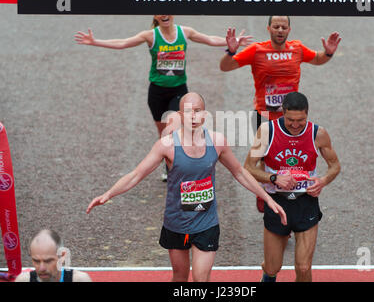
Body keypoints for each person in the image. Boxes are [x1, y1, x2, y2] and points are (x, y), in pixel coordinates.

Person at [86, 92, 287, 282]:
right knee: (180, 276)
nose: (193, 116)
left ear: (205, 114)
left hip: (206, 223)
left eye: (198, 110)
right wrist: (108, 194)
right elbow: (136, 174)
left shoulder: (217, 142)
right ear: (180, 115)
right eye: (188, 111)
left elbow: (240, 172)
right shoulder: (166, 145)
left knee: (200, 277)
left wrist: (268, 198)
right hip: (176, 223)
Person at [74, 15, 252, 174]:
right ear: (155, 16)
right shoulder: (150, 36)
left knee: (173, 128)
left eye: (167, 11)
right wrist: (95, 41)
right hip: (157, 92)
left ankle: (178, 167)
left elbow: (209, 39)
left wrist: (231, 42)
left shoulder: (185, 32)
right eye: (159, 12)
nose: (164, 15)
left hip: (179, 91)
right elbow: (123, 43)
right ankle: (169, 164)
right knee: (164, 135)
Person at [220, 15, 341, 211]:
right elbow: (225, 66)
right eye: (275, 26)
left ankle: (289, 197)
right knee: (262, 159)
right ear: (268, 28)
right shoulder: (256, 50)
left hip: (290, 117)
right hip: (264, 115)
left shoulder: (297, 48)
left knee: (289, 158)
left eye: (283, 27)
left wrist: (327, 54)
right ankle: (266, 190)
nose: (280, 30)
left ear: (289, 30)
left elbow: (317, 59)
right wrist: (230, 50)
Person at [244, 92, 341, 282]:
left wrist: (323, 181)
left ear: (307, 114)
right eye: (290, 120)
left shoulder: (318, 134)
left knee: (304, 267)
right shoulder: (267, 131)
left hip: (306, 203)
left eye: (301, 120)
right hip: (277, 203)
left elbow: (335, 166)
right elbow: (247, 167)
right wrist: (274, 178)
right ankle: (267, 273)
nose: (295, 125)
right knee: (273, 267)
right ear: (282, 113)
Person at [14, 229, 92, 282]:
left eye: (48, 261)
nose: (42, 268)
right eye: (36, 261)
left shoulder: (79, 280)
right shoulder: (24, 280)